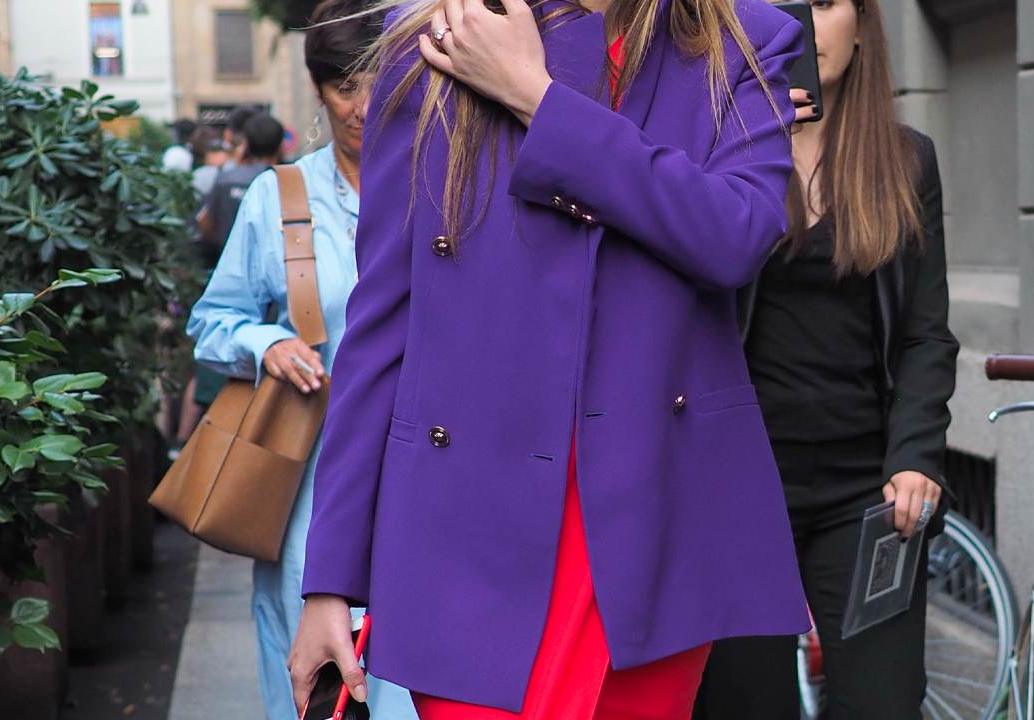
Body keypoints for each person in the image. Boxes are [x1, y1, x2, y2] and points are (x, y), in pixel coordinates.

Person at [288, 0, 811, 718]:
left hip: (653, 523)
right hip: (467, 532)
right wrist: (329, 581)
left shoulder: (742, 40)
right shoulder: (434, 41)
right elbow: (382, 326)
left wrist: (537, 98)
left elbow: (735, 236)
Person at [692, 1, 959, 718]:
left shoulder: (906, 160)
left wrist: (916, 458)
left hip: (866, 494)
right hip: (739, 486)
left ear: (863, 22)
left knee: (884, 702)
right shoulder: (720, 150)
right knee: (745, 704)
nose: (807, 26)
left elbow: (926, 334)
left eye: (826, 1)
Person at [185, 3, 418, 718]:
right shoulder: (278, 197)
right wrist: (267, 343)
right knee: (312, 694)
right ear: (317, 90)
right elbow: (210, 323)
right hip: (308, 485)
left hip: (425, 475)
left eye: (380, 81)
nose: (363, 104)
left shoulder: (441, 191)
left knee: (417, 687)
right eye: (343, 85)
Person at [197, 112, 285, 269]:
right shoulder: (288, 181)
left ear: (247, 143)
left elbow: (205, 222)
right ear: (280, 145)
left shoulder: (225, 178)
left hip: (229, 266)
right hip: (277, 268)